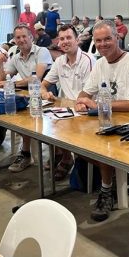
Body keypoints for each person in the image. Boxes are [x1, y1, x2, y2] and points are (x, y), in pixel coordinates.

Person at [75, 20, 129, 222]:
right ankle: (116, 177)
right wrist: (81, 101)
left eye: (107, 39)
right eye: (98, 40)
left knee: (102, 146)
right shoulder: (100, 64)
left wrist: (99, 105)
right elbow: (85, 92)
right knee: (75, 142)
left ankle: (106, 190)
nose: (102, 44)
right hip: (106, 121)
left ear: (117, 37)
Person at [40, 24, 96, 180]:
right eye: (62, 38)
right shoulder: (59, 61)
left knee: (61, 122)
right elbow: (43, 84)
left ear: (77, 40)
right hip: (68, 108)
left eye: (69, 37)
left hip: (86, 110)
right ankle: (64, 156)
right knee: (46, 120)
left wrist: (74, 105)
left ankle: (66, 158)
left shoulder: (88, 60)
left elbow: (89, 94)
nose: (65, 41)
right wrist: (45, 93)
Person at [0, 25, 53, 172]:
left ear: (31, 37)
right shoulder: (16, 57)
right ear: (14, 40)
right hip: (29, 96)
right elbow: (2, 78)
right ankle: (26, 153)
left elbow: (36, 78)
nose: (21, 40)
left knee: (26, 115)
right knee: (15, 115)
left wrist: (11, 83)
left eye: (24, 36)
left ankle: (55, 154)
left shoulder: (42, 51)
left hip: (47, 95)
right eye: (18, 37)